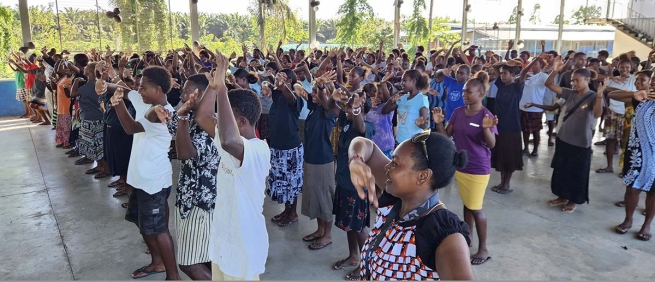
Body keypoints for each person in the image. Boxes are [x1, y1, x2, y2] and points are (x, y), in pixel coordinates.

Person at [347, 132, 474, 280]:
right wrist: (356, 161)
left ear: (423, 176)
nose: (387, 166)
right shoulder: (397, 199)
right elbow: (364, 144)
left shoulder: (444, 236)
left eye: (395, 163)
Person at [192, 52, 271, 281]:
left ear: (241, 122)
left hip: (245, 245)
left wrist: (224, 91)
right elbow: (203, 115)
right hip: (224, 243)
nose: (218, 119)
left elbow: (229, 141)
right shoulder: (228, 138)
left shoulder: (258, 150)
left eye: (225, 115)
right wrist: (214, 86)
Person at [109, 66, 180, 280]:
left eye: (143, 87)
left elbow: (131, 127)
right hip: (140, 178)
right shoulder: (144, 100)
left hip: (154, 181)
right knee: (143, 225)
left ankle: (173, 275)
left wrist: (117, 103)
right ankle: (157, 262)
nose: (138, 90)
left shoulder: (165, 115)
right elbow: (122, 88)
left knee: (159, 230)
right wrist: (107, 85)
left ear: (158, 89)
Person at [433, 71, 497, 266]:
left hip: (478, 167)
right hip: (461, 165)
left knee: (476, 208)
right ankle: (467, 241)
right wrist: (438, 123)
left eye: (469, 91)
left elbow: (492, 144)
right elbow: (446, 137)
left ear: (481, 93)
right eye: (463, 92)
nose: (465, 94)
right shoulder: (459, 112)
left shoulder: (486, 115)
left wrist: (486, 128)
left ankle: (484, 248)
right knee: (467, 205)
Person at [167, 74, 220, 280]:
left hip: (200, 203)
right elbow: (173, 128)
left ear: (199, 94)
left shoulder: (210, 125)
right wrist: (177, 114)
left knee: (189, 263)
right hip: (189, 199)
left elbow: (185, 152)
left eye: (186, 91)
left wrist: (181, 117)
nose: (181, 95)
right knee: (205, 257)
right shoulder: (191, 116)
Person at [545, 56, 605, 213]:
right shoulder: (570, 93)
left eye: (577, 80)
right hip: (564, 137)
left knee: (577, 172)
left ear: (587, 80)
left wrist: (599, 96)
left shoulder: (593, 96)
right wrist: (555, 70)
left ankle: (574, 199)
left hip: (581, 141)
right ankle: (562, 195)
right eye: (573, 80)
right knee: (561, 168)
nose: (574, 83)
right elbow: (549, 84)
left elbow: (598, 114)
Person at [330, 89, 375, 281]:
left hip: (356, 187)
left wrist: (355, 109)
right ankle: (354, 257)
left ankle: (367, 266)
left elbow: (361, 128)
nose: (347, 109)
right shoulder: (347, 121)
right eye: (348, 106)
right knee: (350, 226)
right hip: (343, 182)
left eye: (352, 106)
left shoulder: (366, 127)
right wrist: (331, 95)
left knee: (358, 227)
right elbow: (332, 107)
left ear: (361, 108)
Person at [299, 72, 338, 251]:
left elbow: (323, 98)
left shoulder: (328, 111)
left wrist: (322, 88)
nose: (313, 94)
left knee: (324, 198)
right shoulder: (314, 109)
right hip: (311, 158)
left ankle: (327, 235)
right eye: (313, 91)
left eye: (317, 92)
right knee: (315, 196)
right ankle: (320, 229)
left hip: (322, 161)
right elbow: (299, 88)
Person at [613, 70, 654, 239]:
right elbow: (612, 93)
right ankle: (628, 220)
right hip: (637, 153)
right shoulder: (642, 100)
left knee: (653, 193)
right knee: (632, 189)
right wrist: (635, 94)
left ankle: (647, 225)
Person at [266, 69, 305, 228]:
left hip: (290, 148)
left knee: (291, 182)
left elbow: (291, 98)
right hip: (276, 146)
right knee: (281, 181)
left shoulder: (296, 98)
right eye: (277, 77)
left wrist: (285, 85)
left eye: (281, 78)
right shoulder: (277, 95)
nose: (277, 80)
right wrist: (271, 79)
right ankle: (286, 210)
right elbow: (271, 87)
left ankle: (293, 213)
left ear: (289, 80)